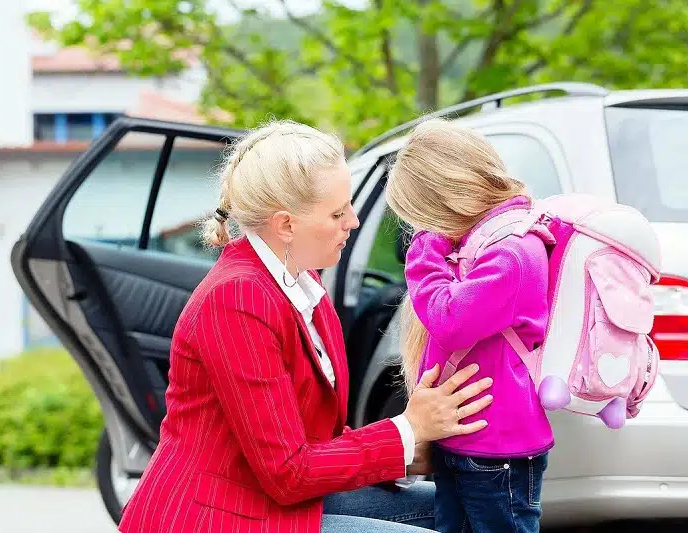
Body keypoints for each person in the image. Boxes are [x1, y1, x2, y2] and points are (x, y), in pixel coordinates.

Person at [117, 119, 495, 533]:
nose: (352, 221)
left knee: (470, 508)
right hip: (219, 518)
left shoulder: (302, 281)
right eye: (337, 212)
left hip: (270, 499)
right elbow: (288, 471)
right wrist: (405, 430)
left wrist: (410, 449)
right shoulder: (236, 299)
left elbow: (310, 439)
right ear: (285, 225)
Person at [385, 118, 555, 533]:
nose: (420, 230)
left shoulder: (512, 253)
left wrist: (424, 248)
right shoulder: (482, 247)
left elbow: (450, 321)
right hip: (467, 438)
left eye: (421, 217)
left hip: (497, 450)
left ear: (442, 202)